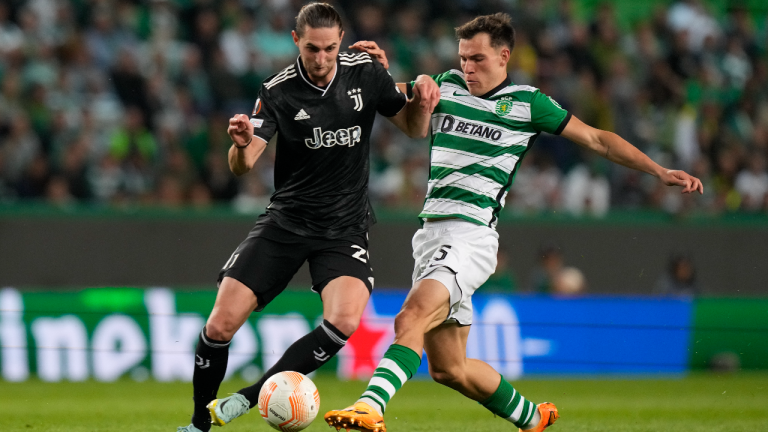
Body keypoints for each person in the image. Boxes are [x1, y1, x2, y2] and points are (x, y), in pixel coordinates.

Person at [325, 13, 703, 432]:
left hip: (470, 235)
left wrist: (658, 171)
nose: (468, 67)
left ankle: (371, 406)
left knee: (410, 317)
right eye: (463, 57)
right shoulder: (445, 85)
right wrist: (377, 72)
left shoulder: (527, 103)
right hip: (430, 235)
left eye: (478, 58)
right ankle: (532, 417)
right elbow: (381, 96)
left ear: (504, 56)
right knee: (449, 368)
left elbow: (597, 139)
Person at [176, 4, 439, 432]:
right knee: (219, 325)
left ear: (341, 41)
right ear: (296, 40)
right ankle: (198, 424)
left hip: (344, 227)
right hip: (286, 222)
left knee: (345, 321)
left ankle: (247, 398)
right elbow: (243, 165)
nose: (321, 58)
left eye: (330, 49)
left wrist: (423, 97)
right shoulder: (277, 90)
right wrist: (240, 145)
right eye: (312, 48)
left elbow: (413, 128)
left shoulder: (366, 73)